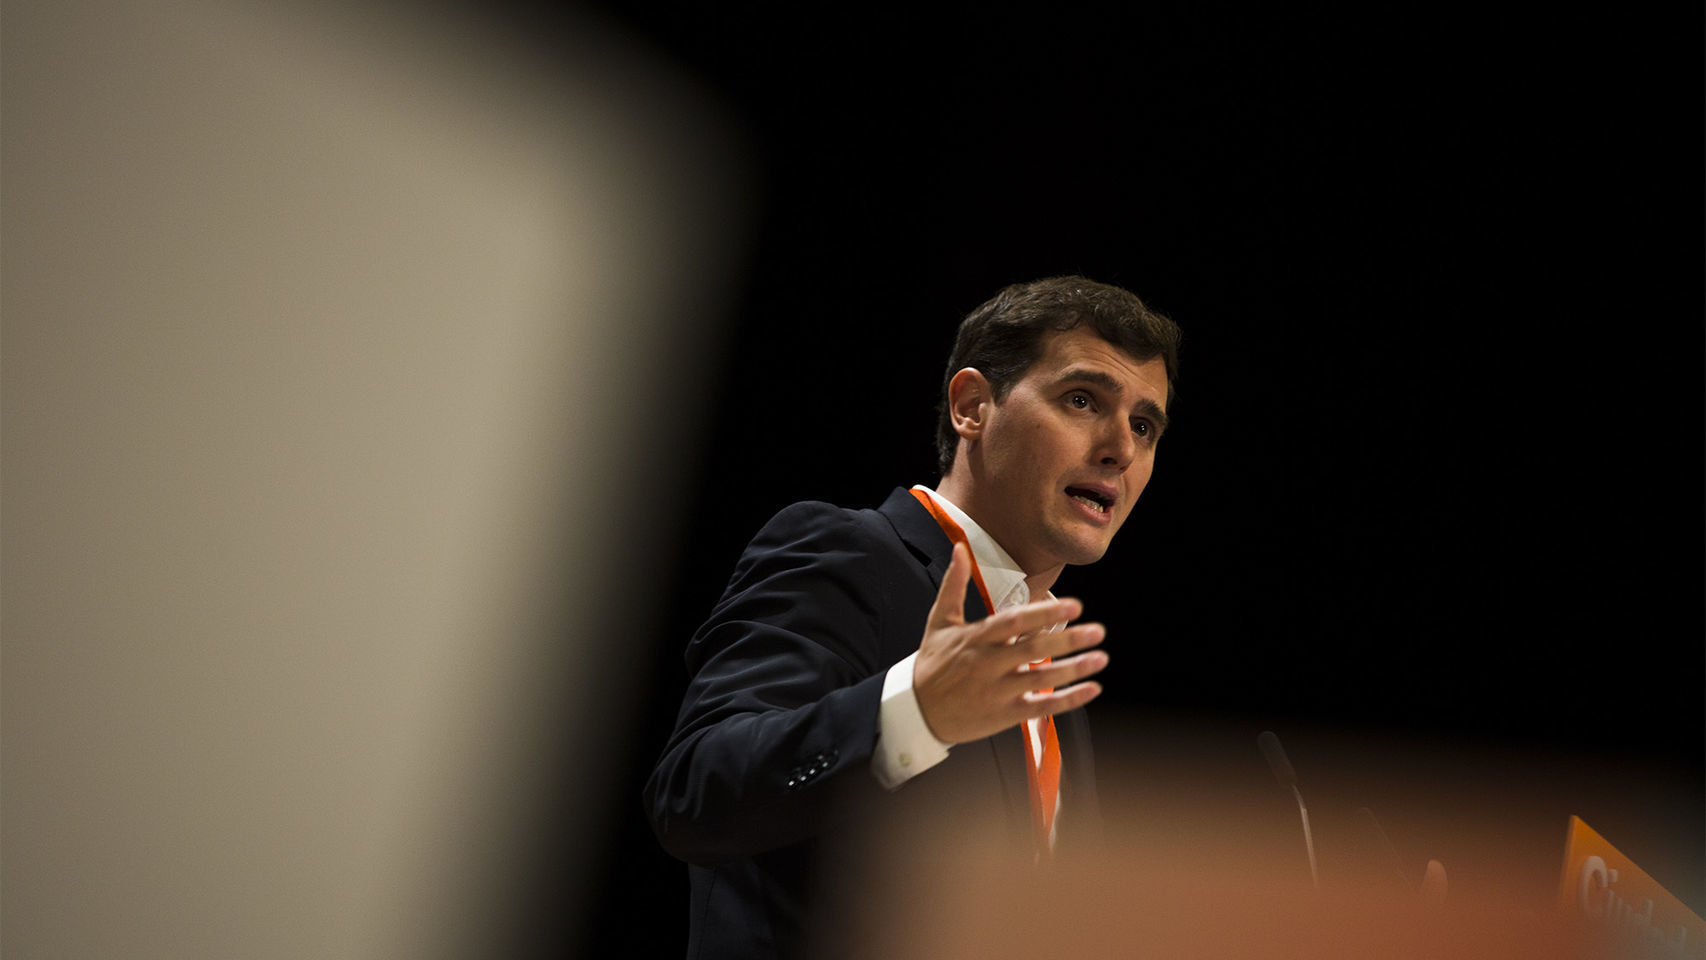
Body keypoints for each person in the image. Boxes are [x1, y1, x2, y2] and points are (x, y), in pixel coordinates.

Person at [644, 276, 1180, 959]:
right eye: (1082, 400)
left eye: (1144, 424)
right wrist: (912, 714)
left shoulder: (1048, 666)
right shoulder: (847, 553)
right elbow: (693, 793)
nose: (1121, 450)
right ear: (972, 406)